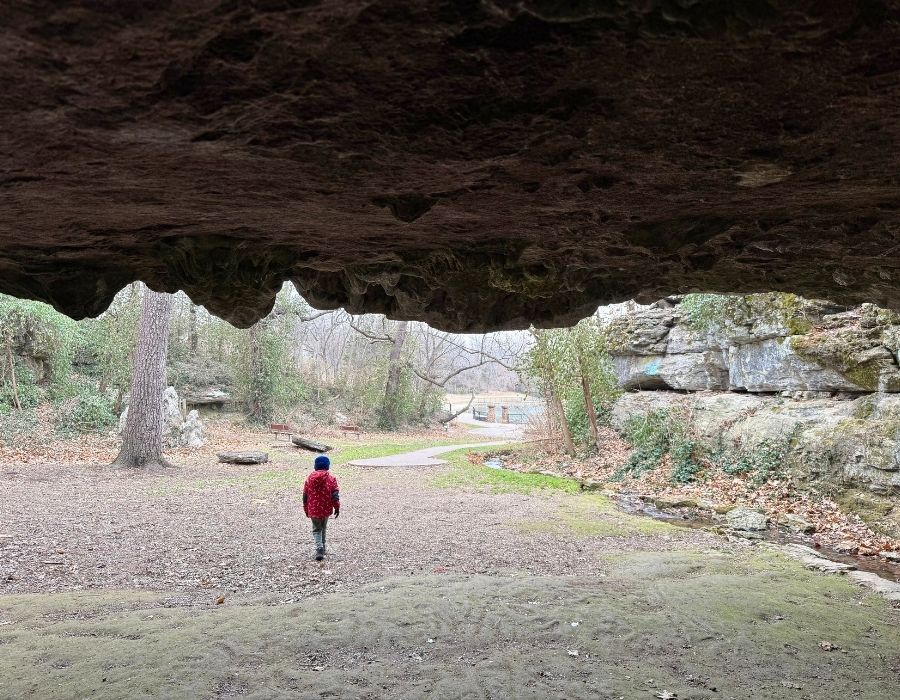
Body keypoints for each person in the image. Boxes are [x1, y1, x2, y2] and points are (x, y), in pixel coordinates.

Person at [302, 454, 340, 561]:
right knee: (323, 528)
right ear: (327, 466)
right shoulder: (332, 479)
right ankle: (323, 546)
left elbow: (305, 495)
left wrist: (306, 509)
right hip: (326, 509)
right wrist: (336, 507)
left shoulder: (309, 478)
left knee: (316, 529)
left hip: (313, 510)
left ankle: (319, 548)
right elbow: (335, 495)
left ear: (315, 466)